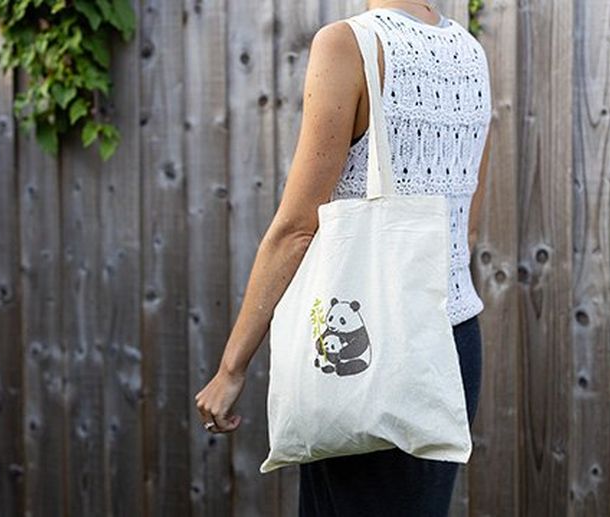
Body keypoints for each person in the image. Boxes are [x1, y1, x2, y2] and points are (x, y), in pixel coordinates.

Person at [194, 0, 491, 514]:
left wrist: (231, 368)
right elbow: (463, 223)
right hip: (453, 341)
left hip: (372, 348)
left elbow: (296, 228)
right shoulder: (471, 53)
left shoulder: (347, 44)